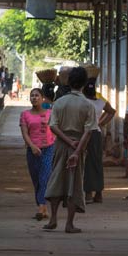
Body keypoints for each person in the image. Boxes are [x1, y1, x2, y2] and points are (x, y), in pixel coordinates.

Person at [44, 66, 96, 234]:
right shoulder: (88, 105)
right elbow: (88, 132)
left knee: (56, 179)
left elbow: (53, 126)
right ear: (84, 83)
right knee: (74, 184)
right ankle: (69, 224)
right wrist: (76, 150)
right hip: (79, 146)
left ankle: (53, 219)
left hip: (60, 145)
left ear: (68, 82)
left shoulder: (59, 102)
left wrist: (66, 141)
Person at [20, 88, 55, 221]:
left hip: (48, 149)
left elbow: (55, 129)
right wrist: (32, 146)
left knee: (44, 178)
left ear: (42, 98)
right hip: (32, 150)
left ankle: (41, 206)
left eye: (37, 95)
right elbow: (24, 133)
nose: (34, 98)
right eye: (32, 96)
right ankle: (43, 207)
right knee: (36, 180)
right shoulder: (25, 115)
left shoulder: (50, 113)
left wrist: (55, 143)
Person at [83, 77, 116, 204]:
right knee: (96, 163)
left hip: (84, 133)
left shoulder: (82, 100)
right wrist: (100, 123)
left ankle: (88, 194)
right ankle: (98, 194)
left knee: (86, 164)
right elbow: (112, 112)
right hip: (96, 134)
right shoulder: (100, 100)